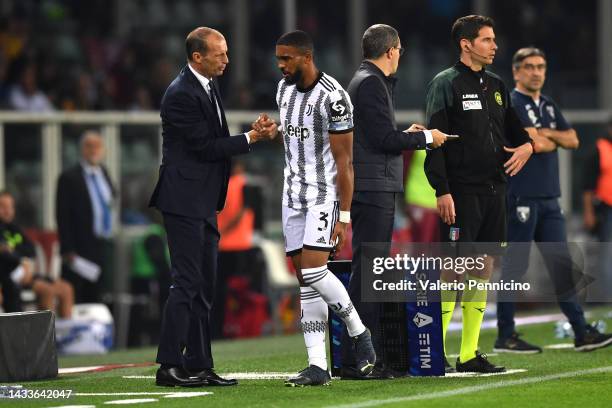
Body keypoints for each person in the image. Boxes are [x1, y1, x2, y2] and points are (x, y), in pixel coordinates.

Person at [148, 27, 277, 388]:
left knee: (204, 286)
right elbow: (205, 147)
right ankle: (169, 366)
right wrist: (250, 138)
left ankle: (199, 364)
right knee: (186, 283)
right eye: (220, 54)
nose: (227, 60)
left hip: (203, 202)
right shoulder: (180, 94)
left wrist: (247, 133)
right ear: (197, 57)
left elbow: (216, 140)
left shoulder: (206, 85)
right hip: (183, 201)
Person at [424, 15, 534, 373]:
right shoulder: (446, 83)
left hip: (493, 191)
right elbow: (434, 143)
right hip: (461, 192)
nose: (495, 46)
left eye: (493, 39)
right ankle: (433, 353)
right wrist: (442, 190)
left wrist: (527, 148)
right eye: (487, 39)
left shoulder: (498, 84)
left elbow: (517, 132)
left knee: (482, 268)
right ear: (466, 43)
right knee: (453, 269)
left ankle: (469, 353)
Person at [271, 30, 376, 387]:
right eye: (278, 59)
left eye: (287, 58)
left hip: (323, 196)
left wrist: (344, 215)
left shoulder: (334, 98)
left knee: (316, 272)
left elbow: (345, 163)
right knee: (304, 282)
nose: (281, 65)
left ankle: (359, 333)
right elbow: (293, 136)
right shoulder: (283, 90)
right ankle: (317, 365)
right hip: (292, 197)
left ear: (306, 56)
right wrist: (272, 132)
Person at [342, 24, 448, 379]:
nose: (401, 55)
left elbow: (381, 134)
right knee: (369, 271)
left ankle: (358, 355)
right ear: (391, 50)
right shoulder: (370, 83)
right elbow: (383, 140)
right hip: (372, 188)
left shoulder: (369, 81)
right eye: (400, 50)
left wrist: (408, 134)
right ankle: (361, 357)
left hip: (372, 185)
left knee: (367, 269)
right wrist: (427, 138)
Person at [495, 47, 612, 354]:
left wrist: (545, 136)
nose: (536, 72)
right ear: (517, 71)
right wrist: (545, 139)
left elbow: (572, 139)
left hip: (550, 199)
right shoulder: (511, 103)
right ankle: (505, 334)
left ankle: (580, 332)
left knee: (562, 267)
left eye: (541, 67)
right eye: (530, 67)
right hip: (521, 195)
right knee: (514, 267)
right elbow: (533, 142)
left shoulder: (547, 104)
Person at [56, 130, 116, 304]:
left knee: (99, 295)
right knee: (78, 296)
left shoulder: (104, 172)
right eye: (89, 146)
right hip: (79, 246)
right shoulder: (69, 177)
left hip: (102, 243)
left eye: (97, 146)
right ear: (81, 149)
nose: (93, 150)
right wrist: (67, 249)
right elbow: (62, 215)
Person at [0, 190, 74, 317]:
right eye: (3, 207)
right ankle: (46, 335)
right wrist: (20, 260)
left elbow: (31, 249)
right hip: (9, 279)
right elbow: (5, 255)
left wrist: (21, 258)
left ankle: (64, 333)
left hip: (26, 274)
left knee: (66, 288)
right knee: (47, 291)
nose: (8, 211)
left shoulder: (15, 228)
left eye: (10, 207)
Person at [583, 118, 612, 301]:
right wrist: (589, 213)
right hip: (606, 209)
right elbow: (587, 186)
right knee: (607, 255)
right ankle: (608, 297)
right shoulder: (599, 149)